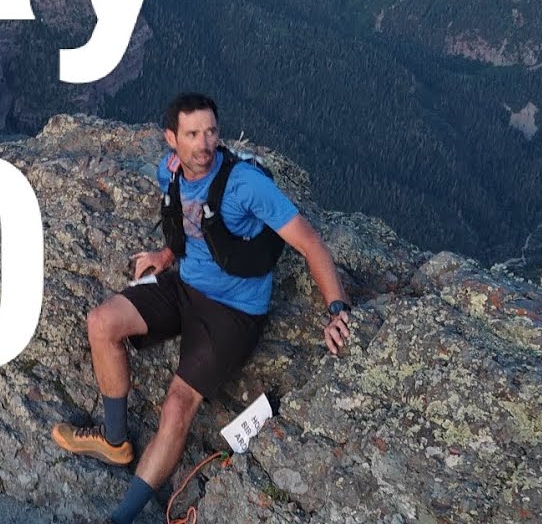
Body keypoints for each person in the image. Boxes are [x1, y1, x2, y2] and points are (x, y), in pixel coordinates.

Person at [50, 92, 352, 524]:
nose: (204, 143)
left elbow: (309, 241)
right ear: (171, 138)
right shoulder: (167, 171)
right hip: (184, 286)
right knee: (102, 322)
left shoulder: (245, 184)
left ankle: (120, 518)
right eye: (192, 134)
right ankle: (115, 440)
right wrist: (165, 255)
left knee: (177, 405)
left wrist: (335, 307)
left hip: (233, 312)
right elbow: (188, 224)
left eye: (210, 131)